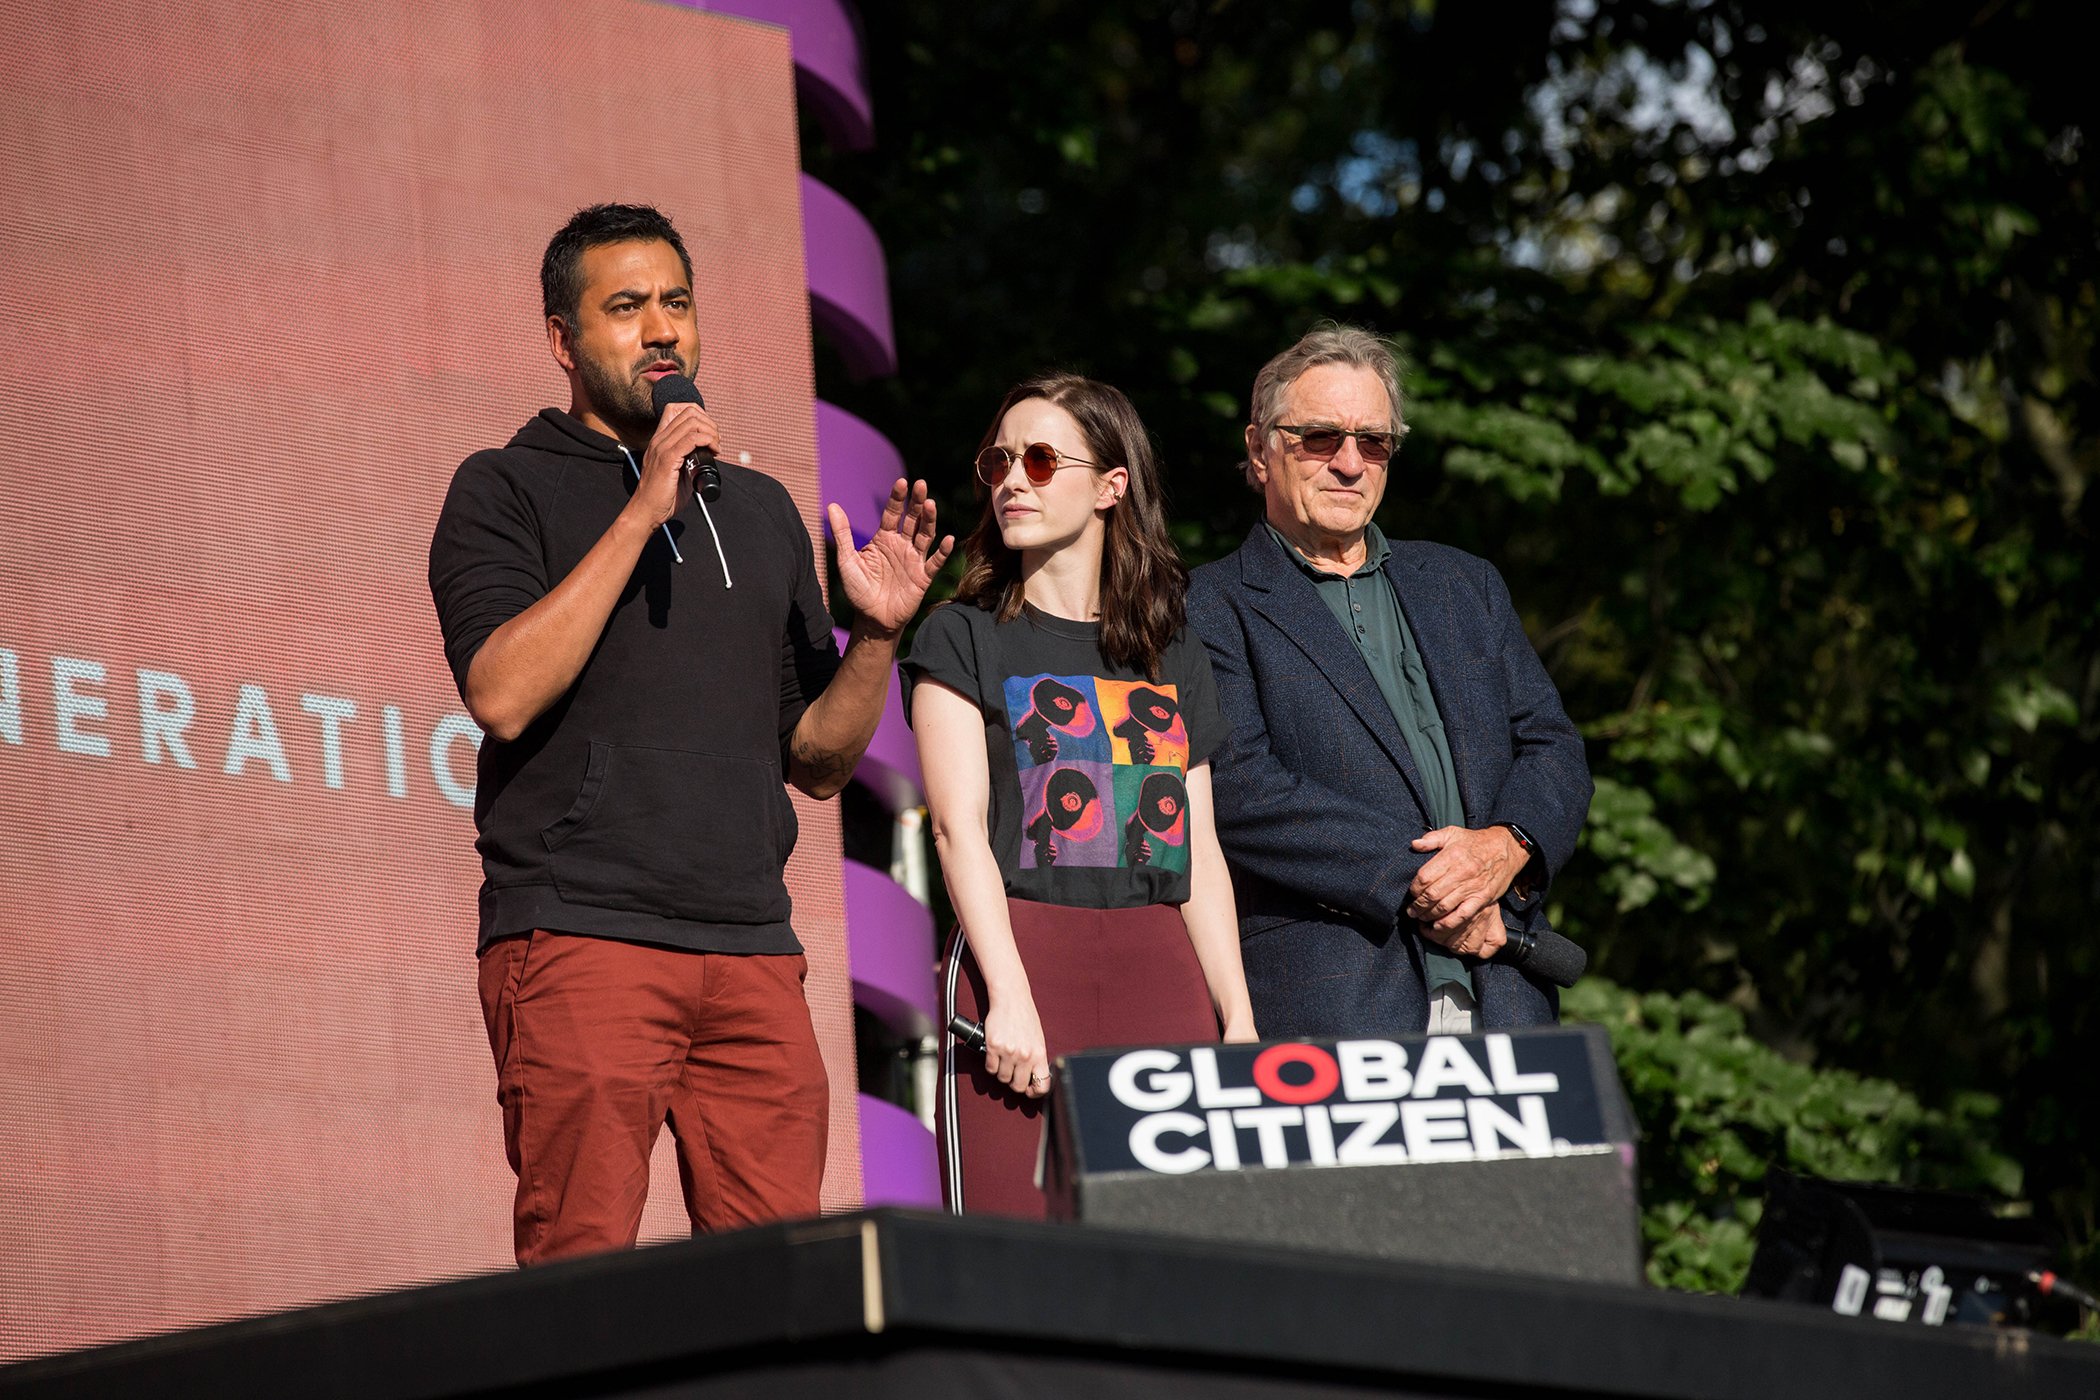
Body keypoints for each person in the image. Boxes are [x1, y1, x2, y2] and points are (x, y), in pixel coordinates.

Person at [427, 203, 951, 1265]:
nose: (660, 329)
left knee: (773, 1296)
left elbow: (816, 760)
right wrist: (641, 510)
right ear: (562, 340)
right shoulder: (502, 486)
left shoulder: (758, 511)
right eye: (625, 307)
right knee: (582, 1276)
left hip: (752, 949)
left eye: (676, 302)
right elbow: (502, 694)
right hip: (580, 932)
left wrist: (876, 638)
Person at [903, 373, 1256, 1218]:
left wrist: (1238, 1018)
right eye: (999, 462)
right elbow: (956, 834)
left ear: (1110, 485)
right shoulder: (962, 635)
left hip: (1159, 966)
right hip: (1018, 960)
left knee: (1172, 1256)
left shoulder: (1170, 646)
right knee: (1010, 1261)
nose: (1013, 481)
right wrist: (1011, 994)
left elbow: (1199, 849)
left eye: (1039, 459)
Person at [1187, 325, 1592, 1038]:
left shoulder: (1465, 584)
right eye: (1319, 439)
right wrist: (1428, 884)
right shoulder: (1205, 604)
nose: (1350, 463)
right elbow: (1239, 786)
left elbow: (1552, 745)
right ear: (1259, 451)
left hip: (1505, 991)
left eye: (1372, 442)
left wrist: (1509, 846)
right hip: (1333, 998)